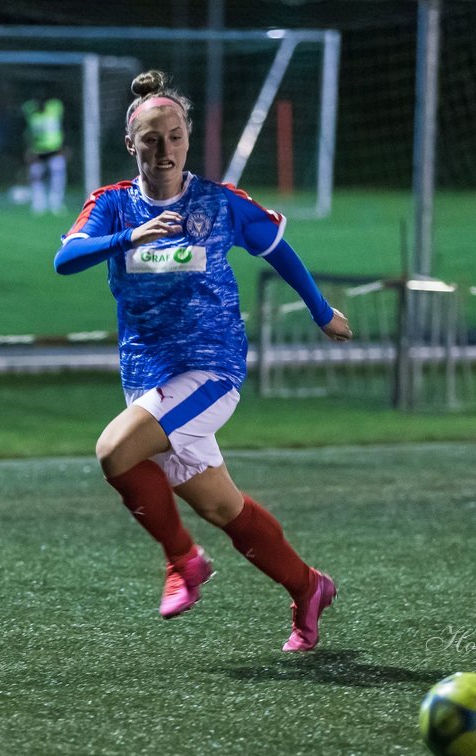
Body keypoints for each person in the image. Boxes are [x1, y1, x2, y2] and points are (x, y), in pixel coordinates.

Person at [53, 70, 353, 652]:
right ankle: (308, 587)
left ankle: (183, 560)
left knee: (114, 450)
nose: (164, 150)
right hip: (147, 378)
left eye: (175, 137)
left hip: (211, 369)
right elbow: (66, 259)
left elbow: (280, 252)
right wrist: (131, 238)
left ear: (189, 139)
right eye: (151, 139)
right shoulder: (113, 206)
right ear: (131, 144)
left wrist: (321, 311)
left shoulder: (219, 204)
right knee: (223, 506)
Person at [22, 96, 67, 215]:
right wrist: (29, 150)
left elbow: (61, 127)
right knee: (36, 177)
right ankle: (38, 204)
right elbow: (28, 133)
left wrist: (64, 146)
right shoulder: (32, 114)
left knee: (58, 178)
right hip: (38, 152)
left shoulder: (54, 109)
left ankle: (55, 204)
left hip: (54, 150)